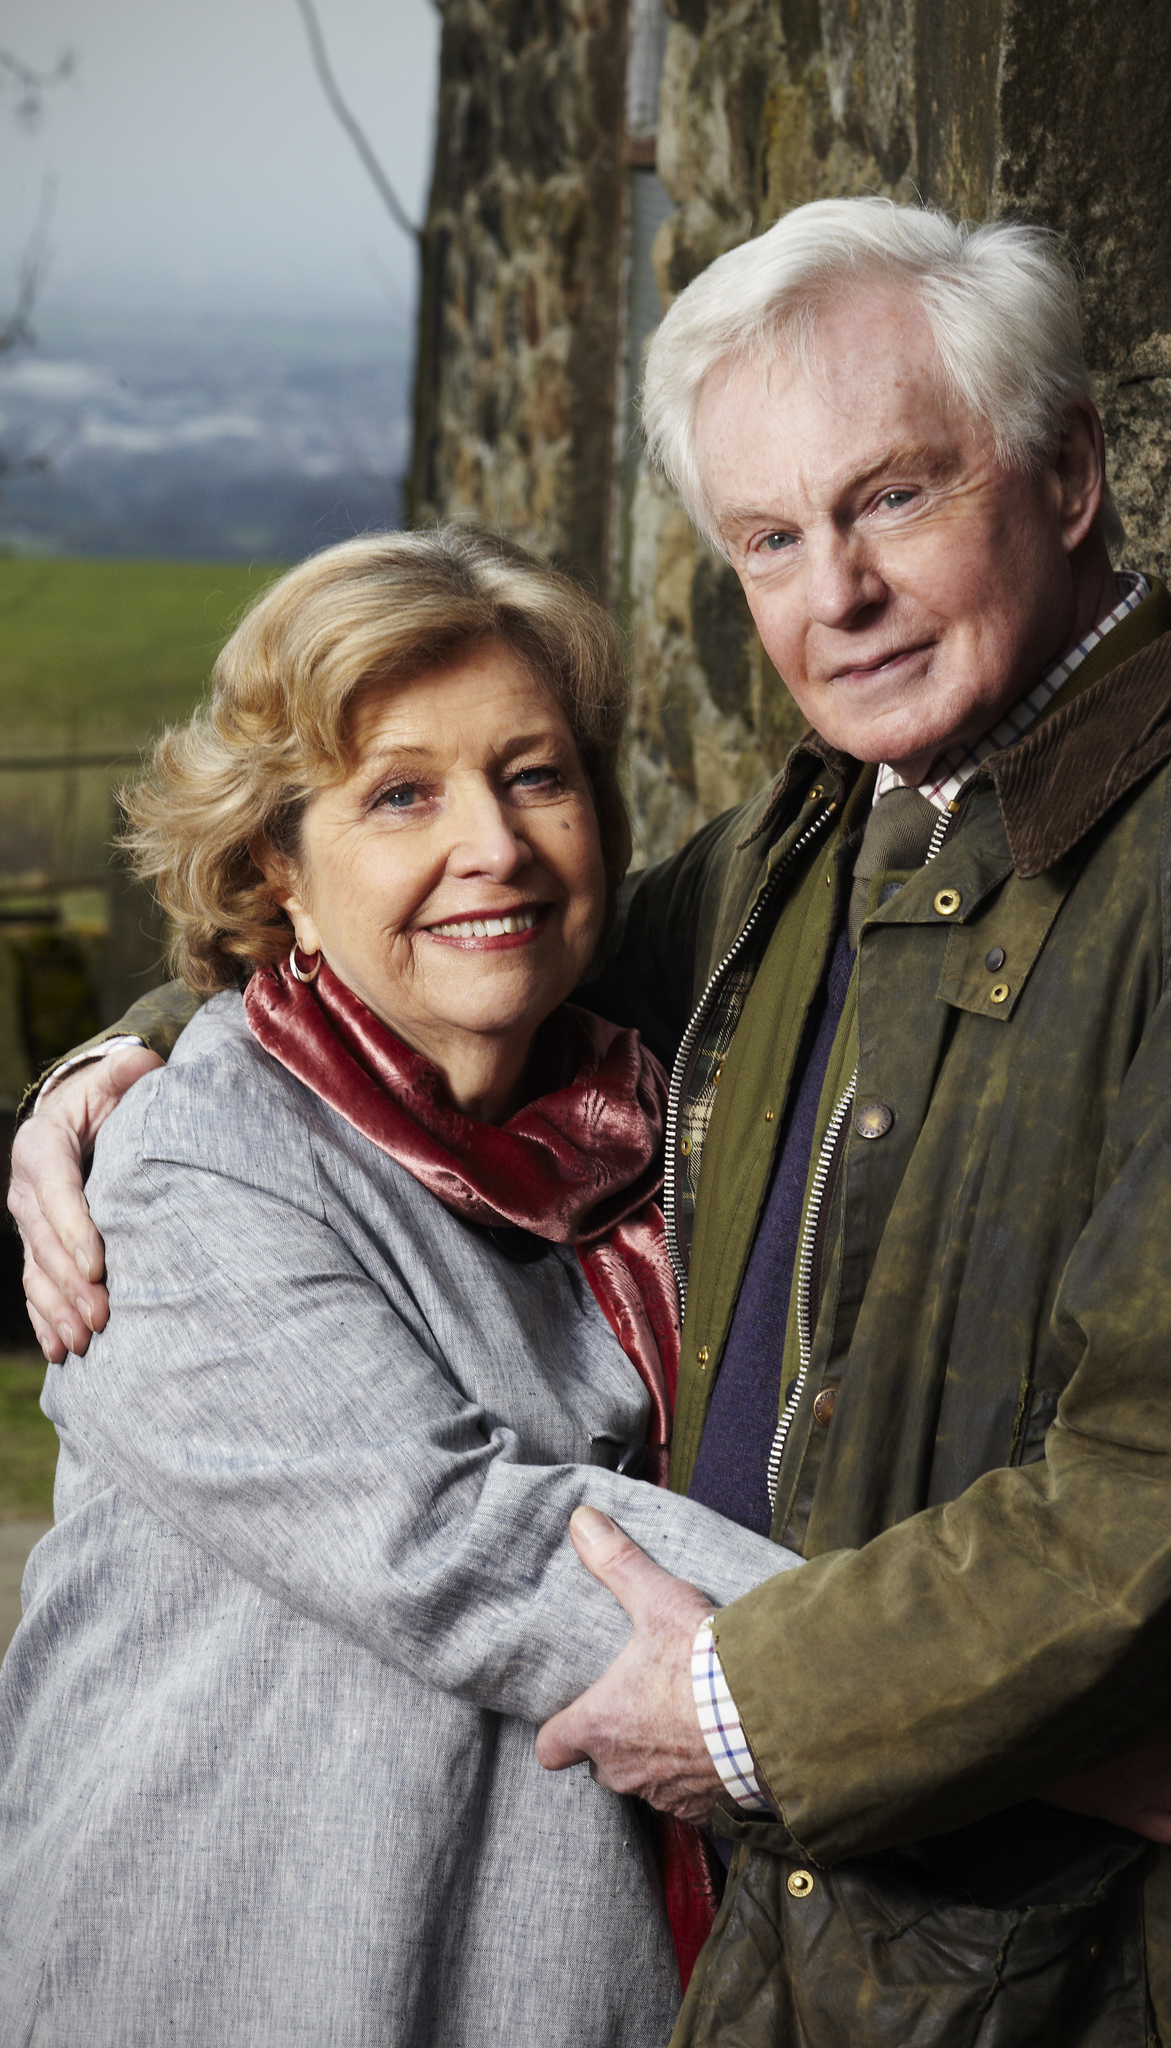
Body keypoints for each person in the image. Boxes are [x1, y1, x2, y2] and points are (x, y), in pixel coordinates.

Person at [10, 198, 1171, 2044]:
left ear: (1068, 475)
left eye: (893, 499)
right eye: (771, 540)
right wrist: (141, 1066)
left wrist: (844, 1712)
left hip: (1034, 1957)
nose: (836, 593)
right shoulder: (831, 843)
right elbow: (448, 983)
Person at [0, 526, 803, 2046]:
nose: (491, 843)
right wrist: (997, 1711)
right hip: (234, 1962)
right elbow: (464, 1540)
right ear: (279, 877)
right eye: (402, 796)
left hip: (540, 1960)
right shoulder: (191, 1169)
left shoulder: (644, 1105)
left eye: (536, 775)